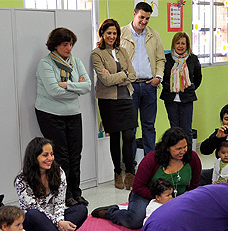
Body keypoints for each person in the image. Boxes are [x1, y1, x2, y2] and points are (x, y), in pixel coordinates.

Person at [91, 127, 201, 230]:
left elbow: (194, 185)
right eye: (178, 149)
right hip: (147, 195)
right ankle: (111, 212)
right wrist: (160, 198)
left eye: (185, 147)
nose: (183, 151)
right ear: (167, 148)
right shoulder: (152, 159)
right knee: (135, 221)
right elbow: (138, 187)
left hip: (176, 198)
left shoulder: (193, 158)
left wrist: (184, 201)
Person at [35, 27, 91, 207]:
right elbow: (53, 91)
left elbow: (88, 86)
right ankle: (63, 194)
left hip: (73, 113)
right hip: (50, 114)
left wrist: (65, 85)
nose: (69, 48)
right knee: (61, 157)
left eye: (71, 44)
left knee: (76, 155)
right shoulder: (46, 63)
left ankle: (76, 192)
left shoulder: (76, 62)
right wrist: (76, 88)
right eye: (65, 44)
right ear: (55, 45)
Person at [14, 137, 100, 231]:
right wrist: (58, 223)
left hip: (54, 220)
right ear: (34, 157)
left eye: (52, 154)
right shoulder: (22, 180)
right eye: (45, 155)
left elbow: (60, 203)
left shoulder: (58, 172)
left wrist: (59, 220)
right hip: (33, 223)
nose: (50, 158)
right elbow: (34, 208)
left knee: (81, 209)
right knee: (34, 214)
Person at [92, 19, 137, 190]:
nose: (112, 36)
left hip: (126, 98)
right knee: (115, 137)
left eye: (114, 33)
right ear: (102, 34)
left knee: (129, 136)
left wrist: (117, 75)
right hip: (109, 101)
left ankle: (130, 173)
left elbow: (132, 75)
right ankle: (118, 172)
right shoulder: (97, 53)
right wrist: (122, 74)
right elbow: (105, 80)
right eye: (109, 33)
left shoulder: (122, 51)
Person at [120, 2, 165, 156]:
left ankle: (150, 162)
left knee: (149, 126)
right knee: (130, 128)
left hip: (149, 86)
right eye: (141, 17)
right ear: (134, 14)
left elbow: (161, 59)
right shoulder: (121, 34)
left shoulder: (154, 35)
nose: (144, 21)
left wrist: (158, 77)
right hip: (129, 86)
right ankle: (131, 166)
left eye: (147, 18)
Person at [160, 32, 202, 142]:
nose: (180, 46)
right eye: (177, 43)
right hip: (170, 98)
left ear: (187, 45)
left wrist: (187, 88)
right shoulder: (167, 58)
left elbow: (198, 78)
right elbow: (162, 76)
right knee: (174, 129)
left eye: (183, 43)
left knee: (186, 129)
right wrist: (170, 86)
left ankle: (187, 155)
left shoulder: (193, 59)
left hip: (187, 98)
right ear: (173, 45)